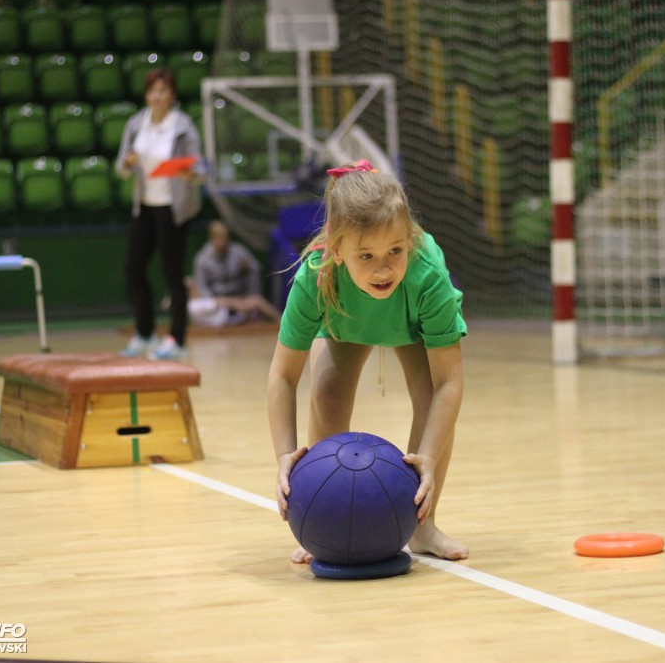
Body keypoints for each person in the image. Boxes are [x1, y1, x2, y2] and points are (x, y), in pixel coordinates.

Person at [267, 159, 469, 562]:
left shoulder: (426, 274)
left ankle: (422, 526)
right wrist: (285, 456)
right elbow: (283, 377)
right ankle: (319, 519)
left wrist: (427, 458)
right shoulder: (316, 277)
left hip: (409, 325)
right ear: (337, 250)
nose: (384, 268)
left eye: (395, 250)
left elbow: (450, 382)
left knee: (430, 396)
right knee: (327, 394)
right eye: (366, 256)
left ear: (409, 239)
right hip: (344, 325)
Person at [116, 67, 205, 360]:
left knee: (172, 273)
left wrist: (189, 173)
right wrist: (129, 163)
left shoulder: (183, 126)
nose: (157, 96)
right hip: (145, 206)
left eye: (163, 90)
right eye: (153, 90)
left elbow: (200, 170)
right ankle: (144, 333)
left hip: (173, 209)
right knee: (133, 267)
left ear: (172, 95)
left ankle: (177, 340)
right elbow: (121, 168)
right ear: (146, 95)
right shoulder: (136, 123)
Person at [187, 220, 280, 327]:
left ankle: (283, 322)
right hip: (218, 303)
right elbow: (202, 287)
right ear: (211, 238)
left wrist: (249, 290)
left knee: (256, 301)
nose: (223, 242)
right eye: (219, 238)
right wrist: (220, 303)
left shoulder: (238, 252)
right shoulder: (202, 259)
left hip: (241, 299)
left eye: (225, 237)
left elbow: (256, 269)